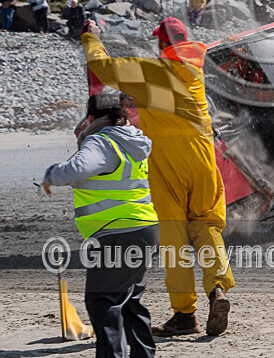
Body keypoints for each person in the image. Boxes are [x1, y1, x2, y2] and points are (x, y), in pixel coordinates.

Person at [82, 17, 235, 337]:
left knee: (174, 237)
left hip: (167, 161)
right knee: (207, 226)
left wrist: (91, 37)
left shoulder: (147, 72)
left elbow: (103, 66)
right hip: (203, 156)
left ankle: (184, 315)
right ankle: (217, 289)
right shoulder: (194, 71)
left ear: (162, 44)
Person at [43, 91, 159, 358]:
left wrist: (51, 174)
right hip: (145, 229)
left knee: (102, 301)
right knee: (129, 301)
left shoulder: (102, 141)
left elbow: (77, 169)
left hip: (115, 233)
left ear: (92, 117)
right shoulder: (133, 140)